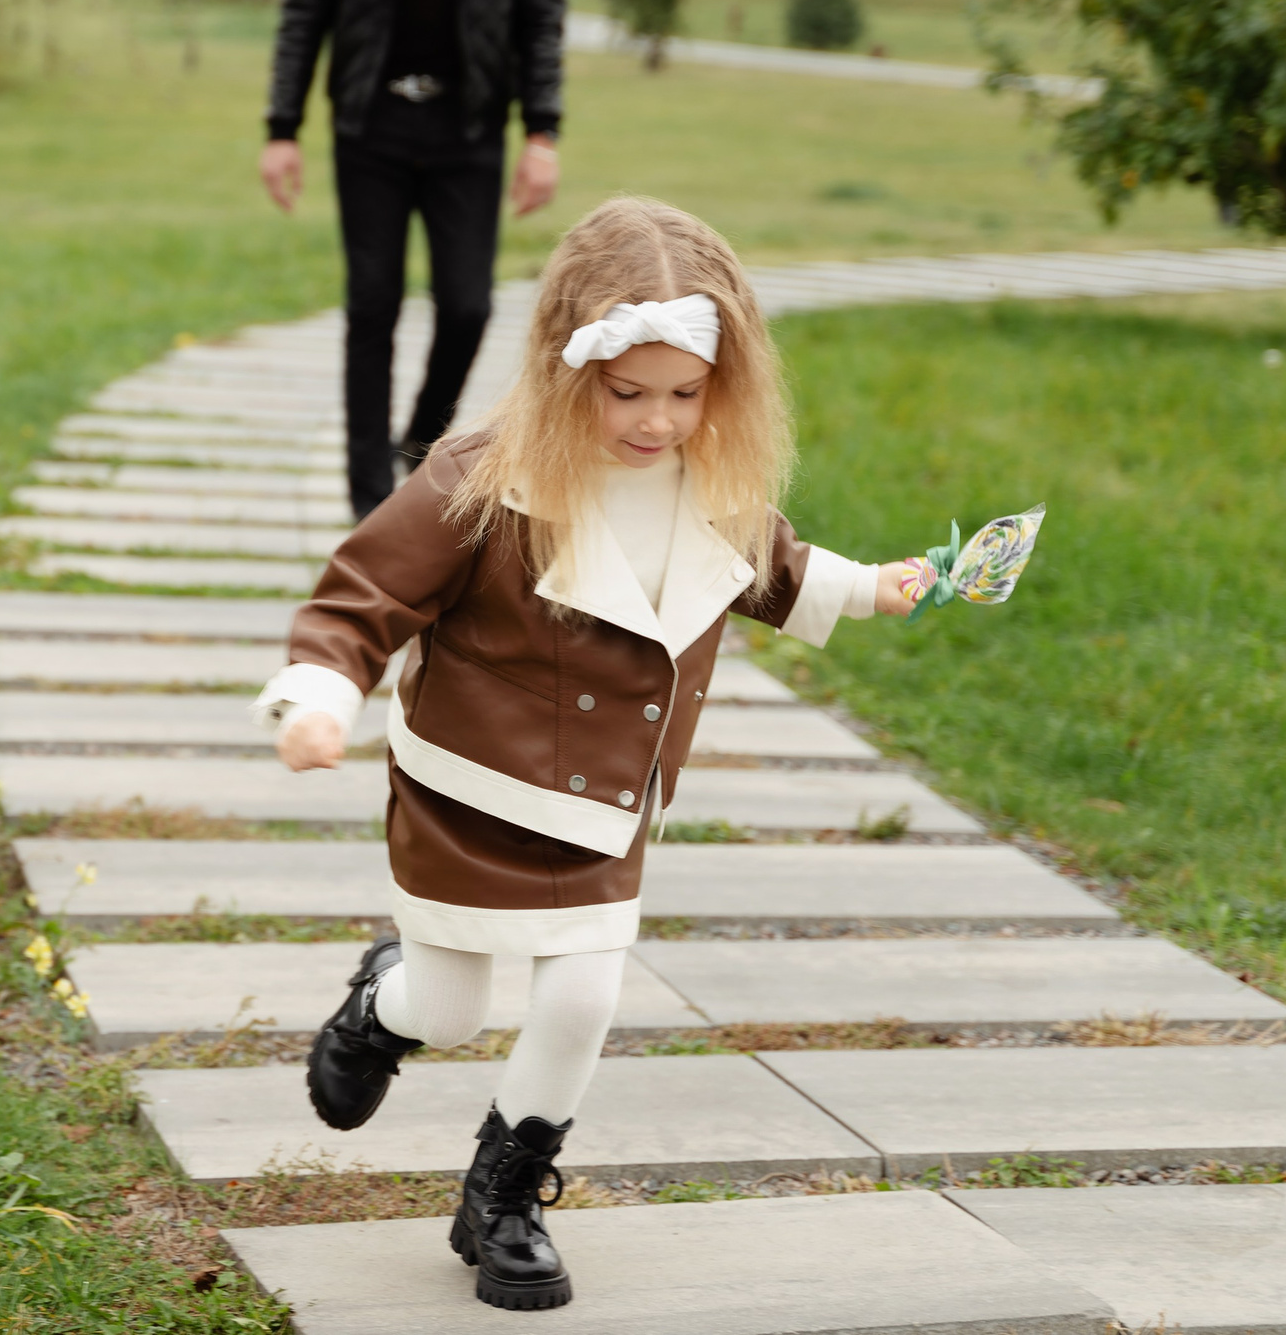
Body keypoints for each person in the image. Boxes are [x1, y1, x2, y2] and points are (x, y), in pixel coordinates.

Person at [251, 199, 928, 1312]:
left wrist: (874, 586)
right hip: (470, 790)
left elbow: (774, 565)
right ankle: (381, 1004)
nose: (658, 421)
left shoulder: (709, 482)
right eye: (628, 392)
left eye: (686, 393)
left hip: (607, 800)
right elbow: (358, 598)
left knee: (580, 997)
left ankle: (503, 1194)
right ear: (569, 371)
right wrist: (320, 697)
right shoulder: (481, 480)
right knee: (452, 1007)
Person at [260, 0, 568, 521]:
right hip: (371, 124)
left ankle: (412, 457)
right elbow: (306, 1)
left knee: (468, 306)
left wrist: (542, 131)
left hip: (469, 127)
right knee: (373, 306)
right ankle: (368, 504)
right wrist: (282, 126)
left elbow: (541, 5)